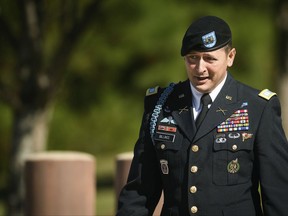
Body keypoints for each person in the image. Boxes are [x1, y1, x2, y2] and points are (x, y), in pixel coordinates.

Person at [116, 15, 288, 216]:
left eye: (209, 59)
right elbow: (140, 192)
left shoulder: (258, 108)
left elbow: (278, 195)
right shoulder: (161, 105)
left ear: (230, 57)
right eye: (192, 58)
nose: (200, 68)